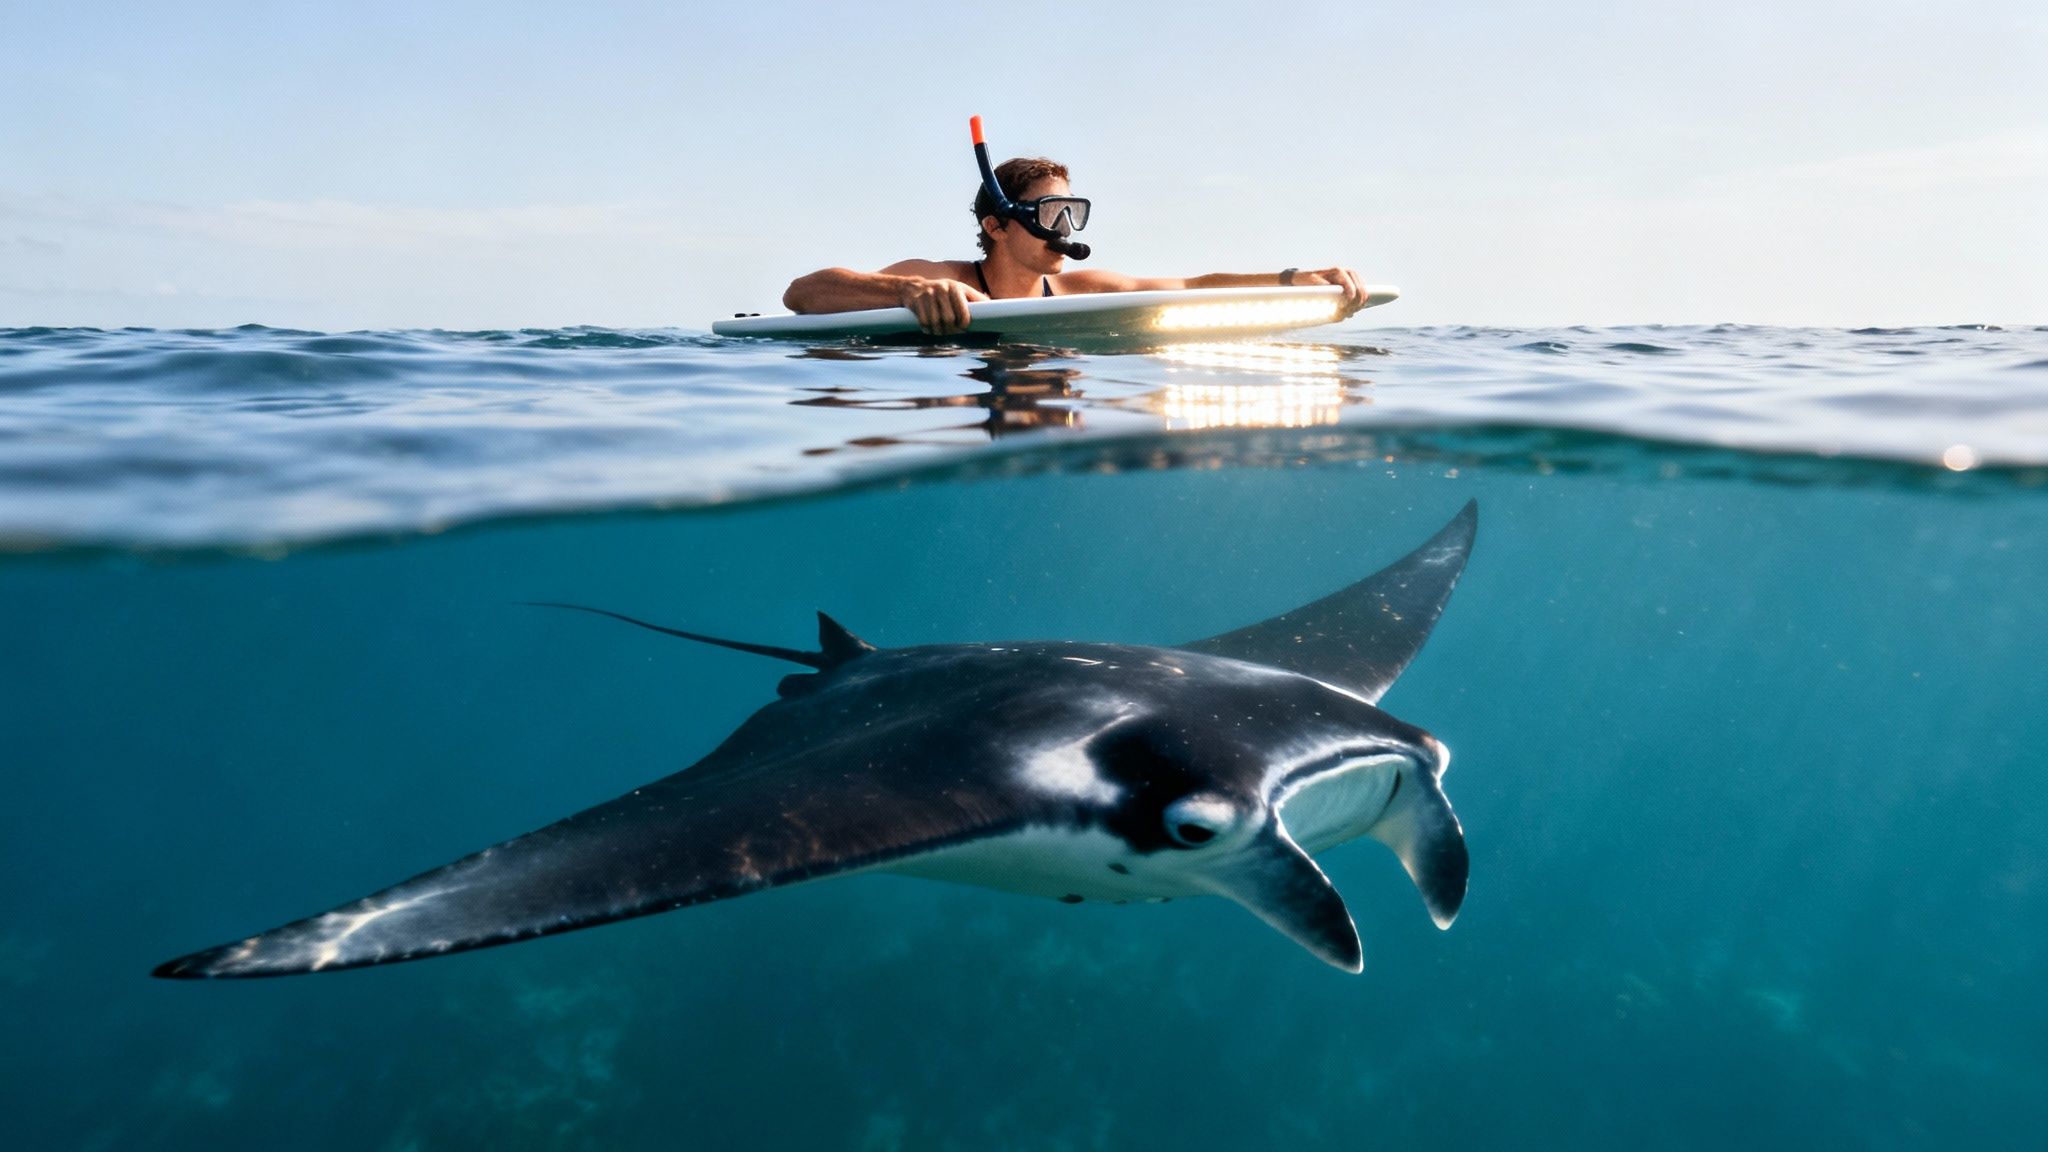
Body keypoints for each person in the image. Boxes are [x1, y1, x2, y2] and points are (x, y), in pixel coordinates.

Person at [781, 156, 1371, 336]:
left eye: (1073, 213)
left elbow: (1191, 288)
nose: (1066, 228)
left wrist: (1293, 280)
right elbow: (801, 294)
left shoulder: (1076, 289)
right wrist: (909, 291)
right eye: (1050, 213)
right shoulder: (942, 275)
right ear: (998, 227)